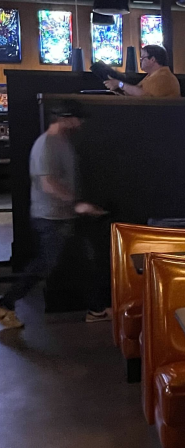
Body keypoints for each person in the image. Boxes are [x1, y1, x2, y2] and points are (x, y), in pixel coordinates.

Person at [0, 101, 107, 330]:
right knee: (45, 265)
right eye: (77, 118)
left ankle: (96, 309)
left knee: (82, 262)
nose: (80, 123)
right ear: (65, 118)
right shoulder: (46, 144)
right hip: (51, 218)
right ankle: (5, 304)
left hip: (62, 217)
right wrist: (77, 204)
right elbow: (48, 183)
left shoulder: (61, 142)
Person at [105, 45, 181, 98]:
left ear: (152, 59)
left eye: (142, 58)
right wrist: (119, 90)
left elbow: (145, 96)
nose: (140, 61)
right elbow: (136, 92)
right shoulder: (152, 75)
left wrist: (120, 84)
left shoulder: (164, 77)